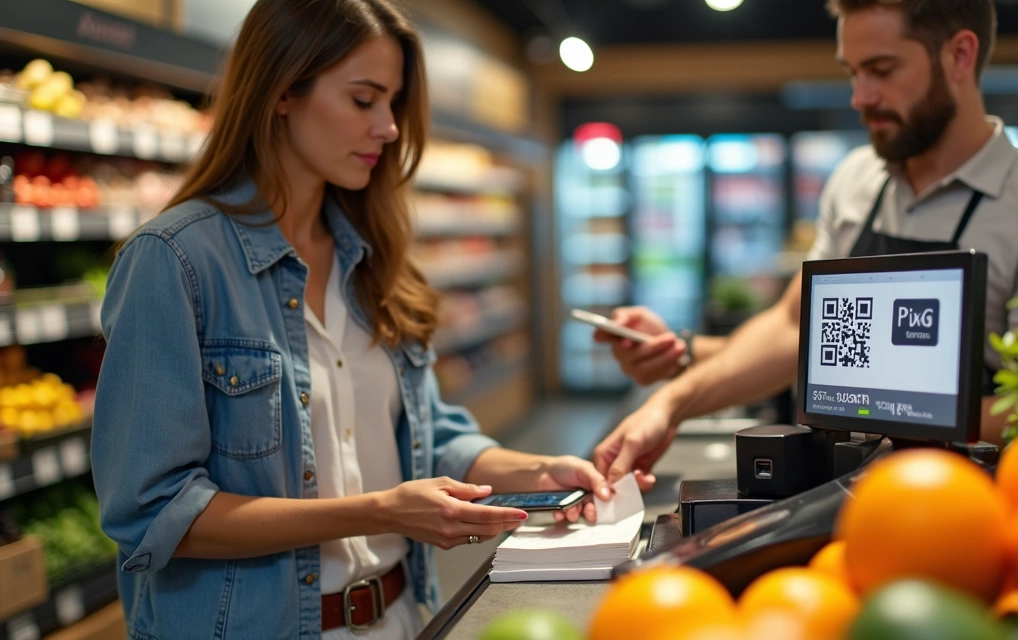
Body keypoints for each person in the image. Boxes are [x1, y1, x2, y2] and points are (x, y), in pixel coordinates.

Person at [90, 2, 632, 638]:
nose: (390, 129)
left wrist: (536, 472)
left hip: (399, 618)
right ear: (284, 90)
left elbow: (431, 435)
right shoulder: (174, 262)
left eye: (394, 104)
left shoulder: (374, 260)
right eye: (364, 100)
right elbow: (155, 514)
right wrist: (378, 512)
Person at [593, 0, 1018, 481]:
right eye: (853, 72)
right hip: (838, 489)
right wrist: (669, 402)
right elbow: (793, 328)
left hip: (967, 512)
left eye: (882, 70)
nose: (860, 97)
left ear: (959, 55)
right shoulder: (857, 180)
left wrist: (867, 399)